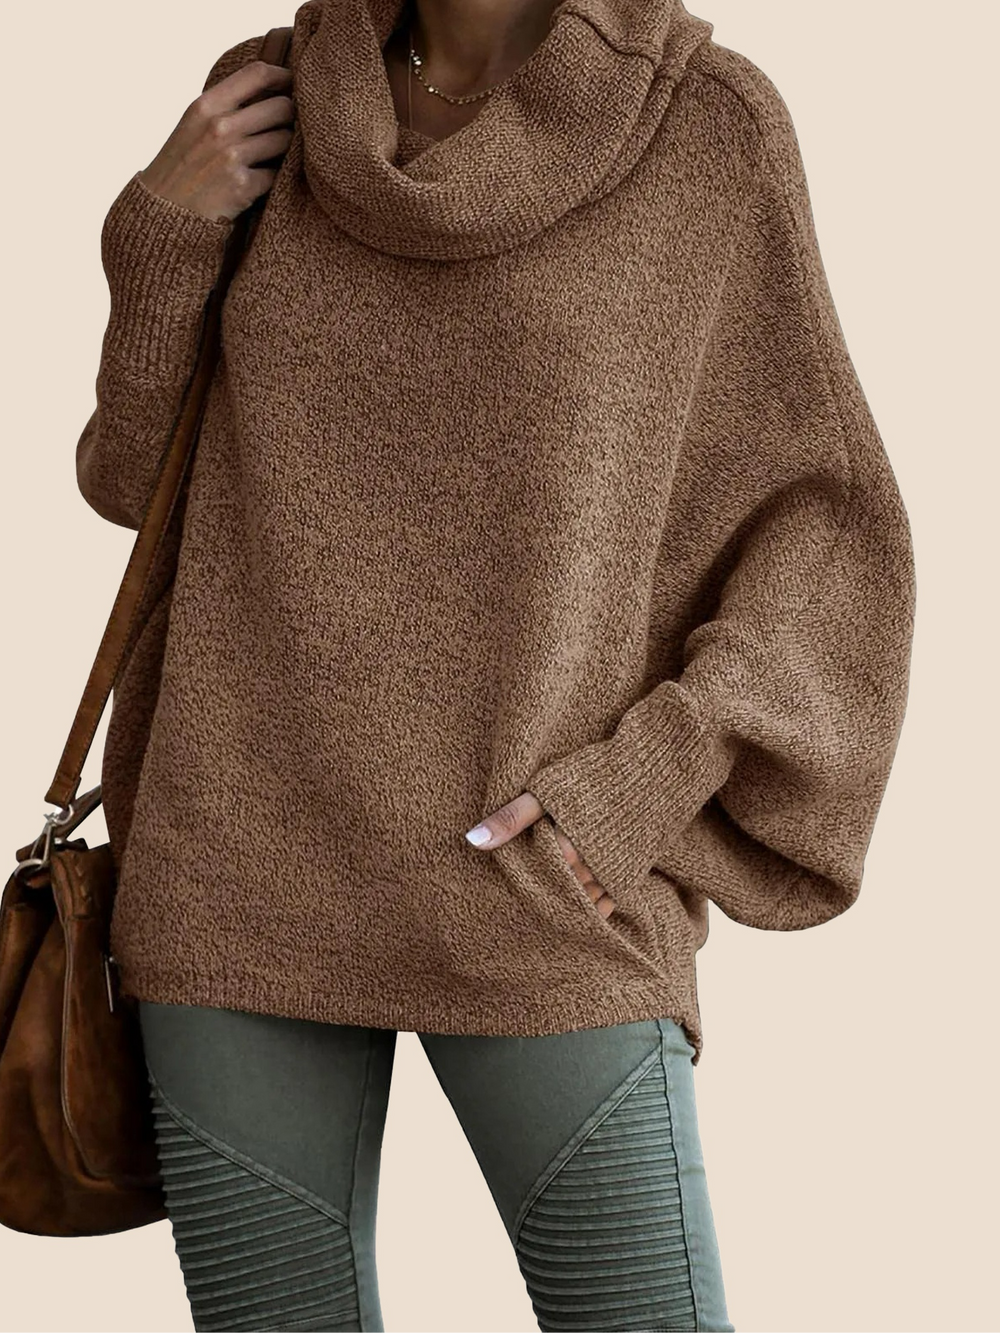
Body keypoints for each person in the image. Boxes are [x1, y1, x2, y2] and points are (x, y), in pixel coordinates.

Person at [75, 0, 916, 1329]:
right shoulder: (271, 99)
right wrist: (161, 231)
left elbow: (825, 532)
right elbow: (135, 486)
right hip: (237, 868)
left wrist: (640, 788)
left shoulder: (706, 128)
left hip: (532, 884)